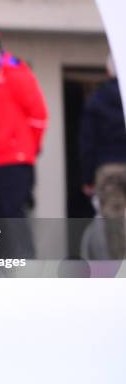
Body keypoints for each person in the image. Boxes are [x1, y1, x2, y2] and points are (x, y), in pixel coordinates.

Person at [0, 25, 48, 219]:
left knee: (13, 220)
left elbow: (39, 115)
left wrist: (29, 148)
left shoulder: (15, 73)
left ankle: (20, 252)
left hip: (14, 161)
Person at [79, 55, 126, 259]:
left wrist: (87, 178)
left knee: (114, 224)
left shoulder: (98, 98)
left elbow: (88, 141)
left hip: (108, 169)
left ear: (108, 71)